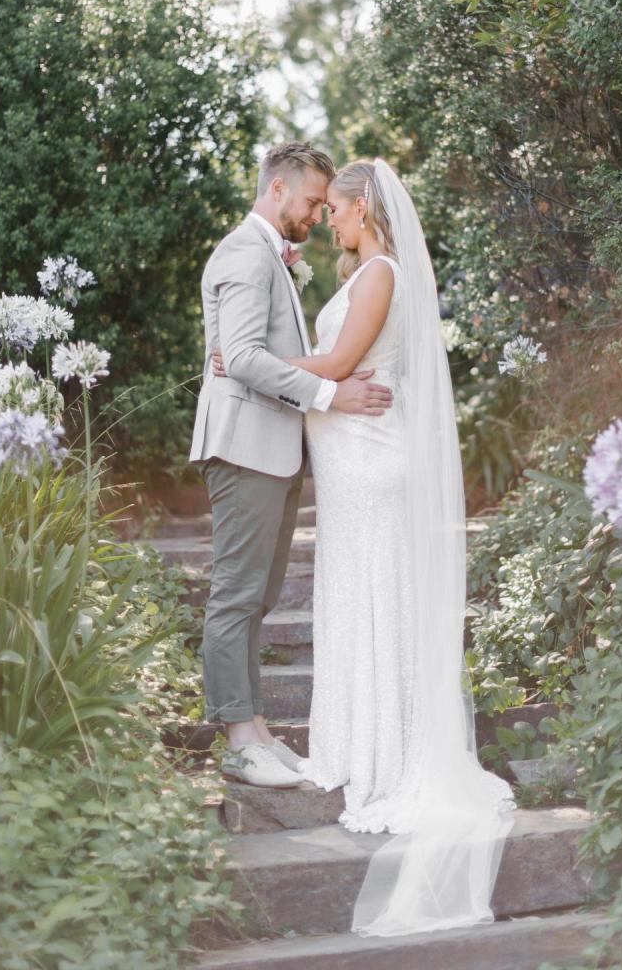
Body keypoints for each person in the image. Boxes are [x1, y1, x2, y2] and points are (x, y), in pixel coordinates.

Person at [212, 157, 514, 935]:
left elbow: (343, 367)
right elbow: (335, 369)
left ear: (364, 208)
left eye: (336, 210)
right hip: (351, 467)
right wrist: (270, 372)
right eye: (321, 209)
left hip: (371, 465)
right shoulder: (367, 270)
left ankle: (386, 754)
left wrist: (247, 371)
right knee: (355, 595)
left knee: (373, 597)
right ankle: (359, 741)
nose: (329, 222)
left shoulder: (378, 273)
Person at [189, 142, 393, 790]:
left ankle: (255, 730)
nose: (313, 214)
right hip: (244, 445)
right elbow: (242, 357)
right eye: (308, 201)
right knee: (236, 595)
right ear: (277, 189)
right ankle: (237, 736)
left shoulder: (271, 255)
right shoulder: (245, 252)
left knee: (259, 597)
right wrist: (333, 394)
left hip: (270, 448)